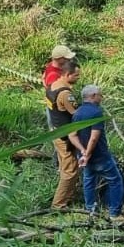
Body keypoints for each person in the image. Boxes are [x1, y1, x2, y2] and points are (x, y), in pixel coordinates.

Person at [68, 84, 124, 220]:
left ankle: (91, 211)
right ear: (93, 96)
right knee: (115, 181)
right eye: (100, 94)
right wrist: (88, 153)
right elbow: (94, 137)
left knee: (89, 181)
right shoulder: (96, 113)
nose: (101, 97)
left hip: (84, 157)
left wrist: (82, 152)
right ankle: (114, 213)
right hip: (99, 156)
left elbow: (72, 135)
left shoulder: (77, 113)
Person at [44, 59, 82, 210]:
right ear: (67, 74)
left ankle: (68, 196)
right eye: (76, 76)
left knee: (66, 167)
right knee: (70, 170)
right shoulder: (65, 94)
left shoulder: (51, 86)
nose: (78, 78)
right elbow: (77, 114)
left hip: (55, 131)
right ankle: (58, 205)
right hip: (64, 137)